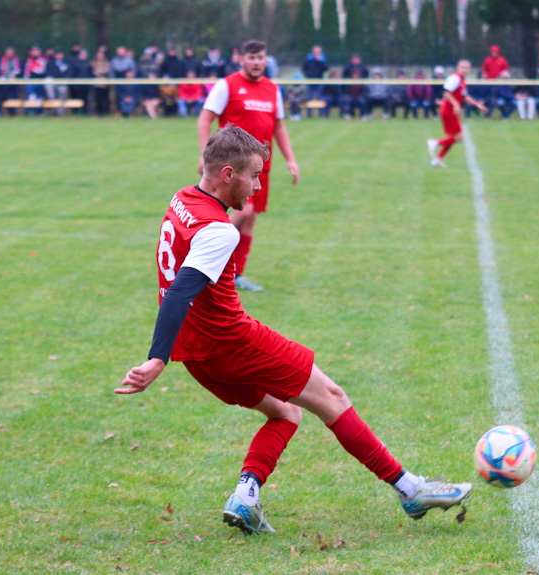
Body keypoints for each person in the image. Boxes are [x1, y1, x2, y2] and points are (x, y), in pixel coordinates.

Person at [115, 125, 473, 535]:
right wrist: (156, 358)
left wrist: (168, 352)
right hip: (232, 341)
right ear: (228, 174)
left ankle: (245, 497)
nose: (257, 186)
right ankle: (410, 490)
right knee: (333, 398)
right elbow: (180, 291)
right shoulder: (219, 230)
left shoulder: (182, 199)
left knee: (285, 413)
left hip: (197, 355)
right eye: (255, 176)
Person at [197, 40, 299, 292]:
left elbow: (279, 126)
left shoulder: (272, 89)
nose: (256, 62)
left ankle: (234, 276)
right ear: (241, 59)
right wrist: (204, 155)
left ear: (266, 60)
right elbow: (205, 119)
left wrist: (290, 159)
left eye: (261, 57)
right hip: (232, 165)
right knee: (242, 213)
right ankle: (200, 261)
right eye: (251, 57)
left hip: (261, 167)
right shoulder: (227, 85)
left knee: (250, 218)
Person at [426, 60, 488, 168]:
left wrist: (477, 105)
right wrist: (455, 103)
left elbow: (465, 96)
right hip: (448, 110)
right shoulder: (455, 78)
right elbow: (445, 92)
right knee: (459, 137)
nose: (464, 69)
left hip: (451, 111)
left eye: (467, 67)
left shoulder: (462, 80)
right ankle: (435, 143)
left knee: (454, 137)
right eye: (462, 67)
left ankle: (437, 159)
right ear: (457, 67)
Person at [302, 45, 329, 118]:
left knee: (320, 98)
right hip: (310, 81)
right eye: (315, 52)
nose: (316, 53)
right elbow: (304, 68)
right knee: (309, 97)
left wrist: (319, 61)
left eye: (318, 52)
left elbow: (326, 68)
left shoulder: (322, 59)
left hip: (319, 81)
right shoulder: (308, 59)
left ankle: (321, 114)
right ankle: (309, 114)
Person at [92, 47, 111, 116]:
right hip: (96, 84)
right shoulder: (94, 62)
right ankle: (98, 112)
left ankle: (105, 112)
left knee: (104, 99)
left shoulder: (106, 62)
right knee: (97, 99)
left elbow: (106, 71)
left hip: (104, 84)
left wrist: (98, 73)